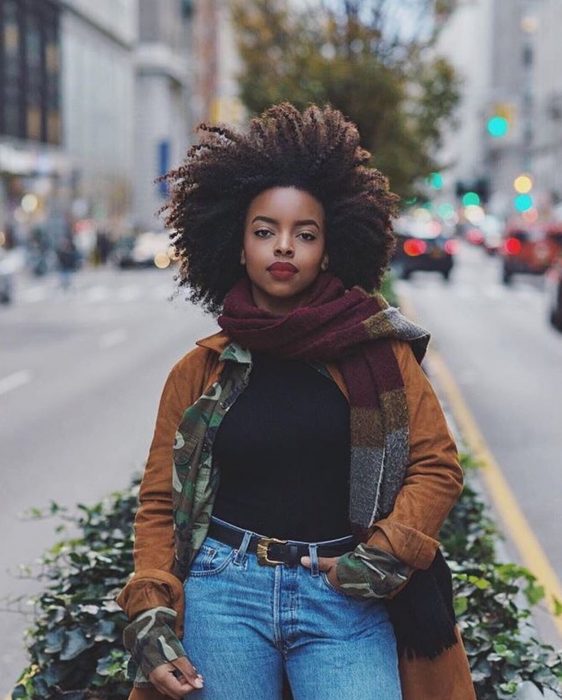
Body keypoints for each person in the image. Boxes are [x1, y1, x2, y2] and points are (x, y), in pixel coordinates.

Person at [117, 102, 476, 700]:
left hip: (344, 595)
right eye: (265, 232)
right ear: (238, 245)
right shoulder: (199, 371)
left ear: (328, 251)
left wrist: (383, 556)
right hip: (224, 593)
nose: (283, 247)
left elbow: (436, 466)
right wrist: (151, 611)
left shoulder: (381, 357)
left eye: (303, 235)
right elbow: (160, 499)